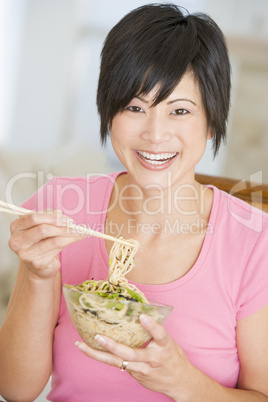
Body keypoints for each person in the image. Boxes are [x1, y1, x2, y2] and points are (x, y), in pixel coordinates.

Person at [0, 3, 268, 401]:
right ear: (109, 113)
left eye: (179, 110)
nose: (155, 135)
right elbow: (15, 390)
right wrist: (38, 275)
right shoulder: (60, 206)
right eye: (134, 107)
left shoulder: (254, 242)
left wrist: (182, 382)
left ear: (212, 122)